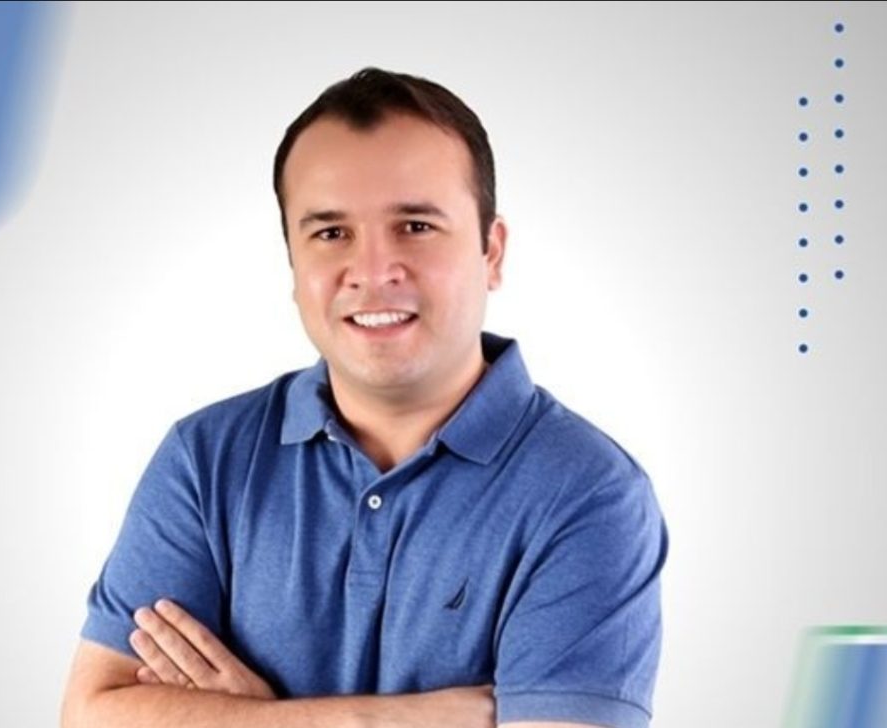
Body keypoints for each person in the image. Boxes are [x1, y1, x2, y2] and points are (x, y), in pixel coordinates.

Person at [60, 67, 668, 728]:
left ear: (491, 252)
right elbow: (92, 715)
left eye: (415, 226)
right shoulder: (204, 460)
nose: (374, 273)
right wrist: (394, 720)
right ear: (293, 262)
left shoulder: (588, 492)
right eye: (330, 233)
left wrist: (244, 719)